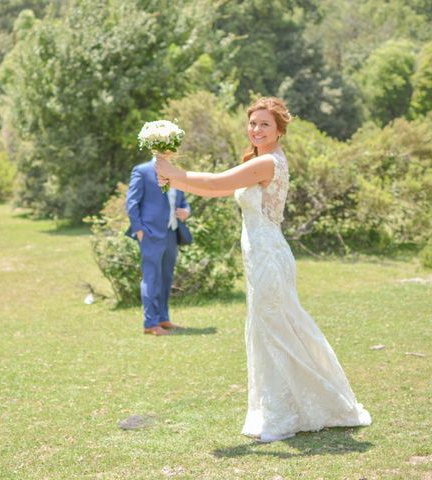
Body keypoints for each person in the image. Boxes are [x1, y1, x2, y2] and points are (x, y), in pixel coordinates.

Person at [155, 97, 371, 441]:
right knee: (270, 330)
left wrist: (173, 171)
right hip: (259, 256)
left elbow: (214, 181)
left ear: (279, 130)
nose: (256, 129)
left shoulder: (268, 162)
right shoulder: (255, 160)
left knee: (275, 330)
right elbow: (215, 191)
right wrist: (170, 176)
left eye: (265, 124)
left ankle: (285, 414)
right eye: (253, 123)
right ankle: (293, 407)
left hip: (269, 256)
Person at [126, 156, 191, 336]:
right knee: (151, 277)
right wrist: (138, 229)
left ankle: (163, 318)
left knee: (166, 277)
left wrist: (186, 211)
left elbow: (183, 201)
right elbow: (131, 202)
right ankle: (150, 323)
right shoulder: (143, 171)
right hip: (150, 233)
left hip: (172, 231)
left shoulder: (174, 172)